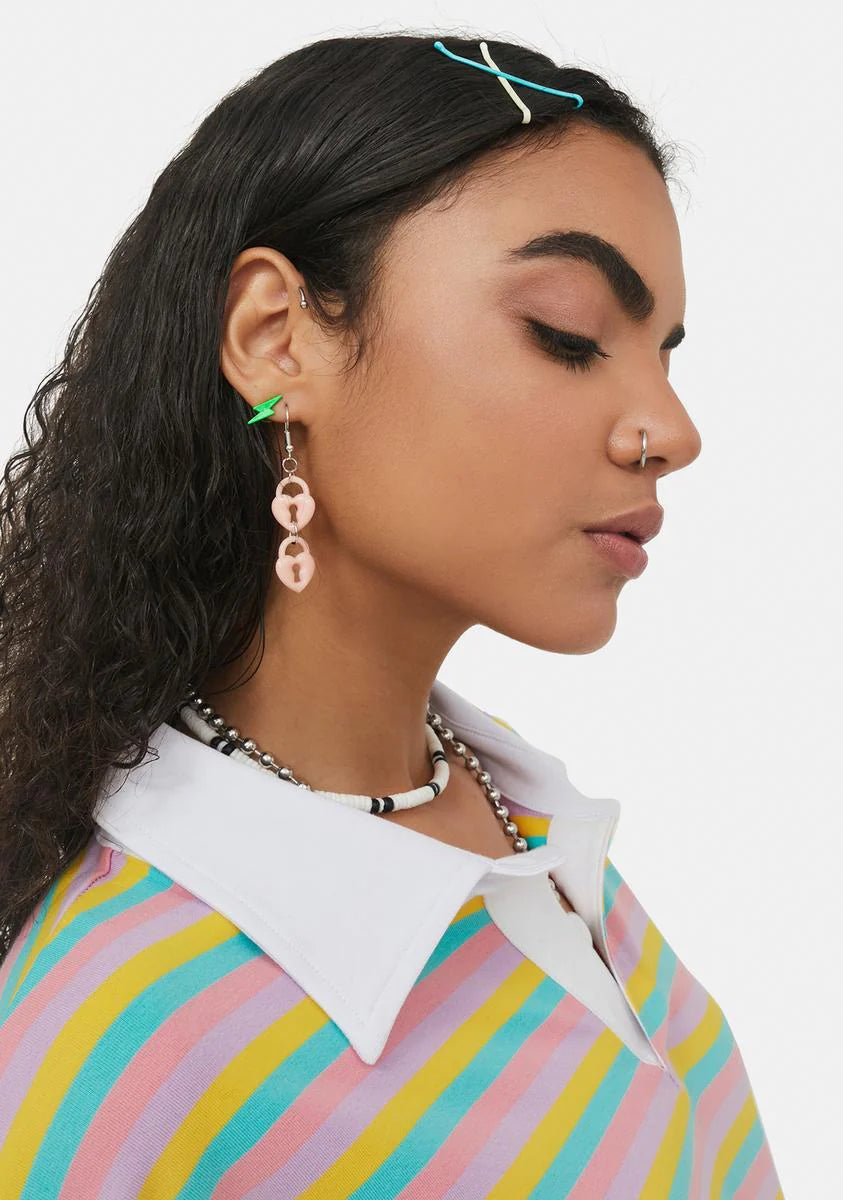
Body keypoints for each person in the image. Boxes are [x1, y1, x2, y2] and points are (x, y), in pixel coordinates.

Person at [0, 30, 784, 1199]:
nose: (670, 429)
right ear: (276, 339)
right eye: (569, 335)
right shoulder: (130, 1034)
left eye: (662, 354)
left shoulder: (526, 823)